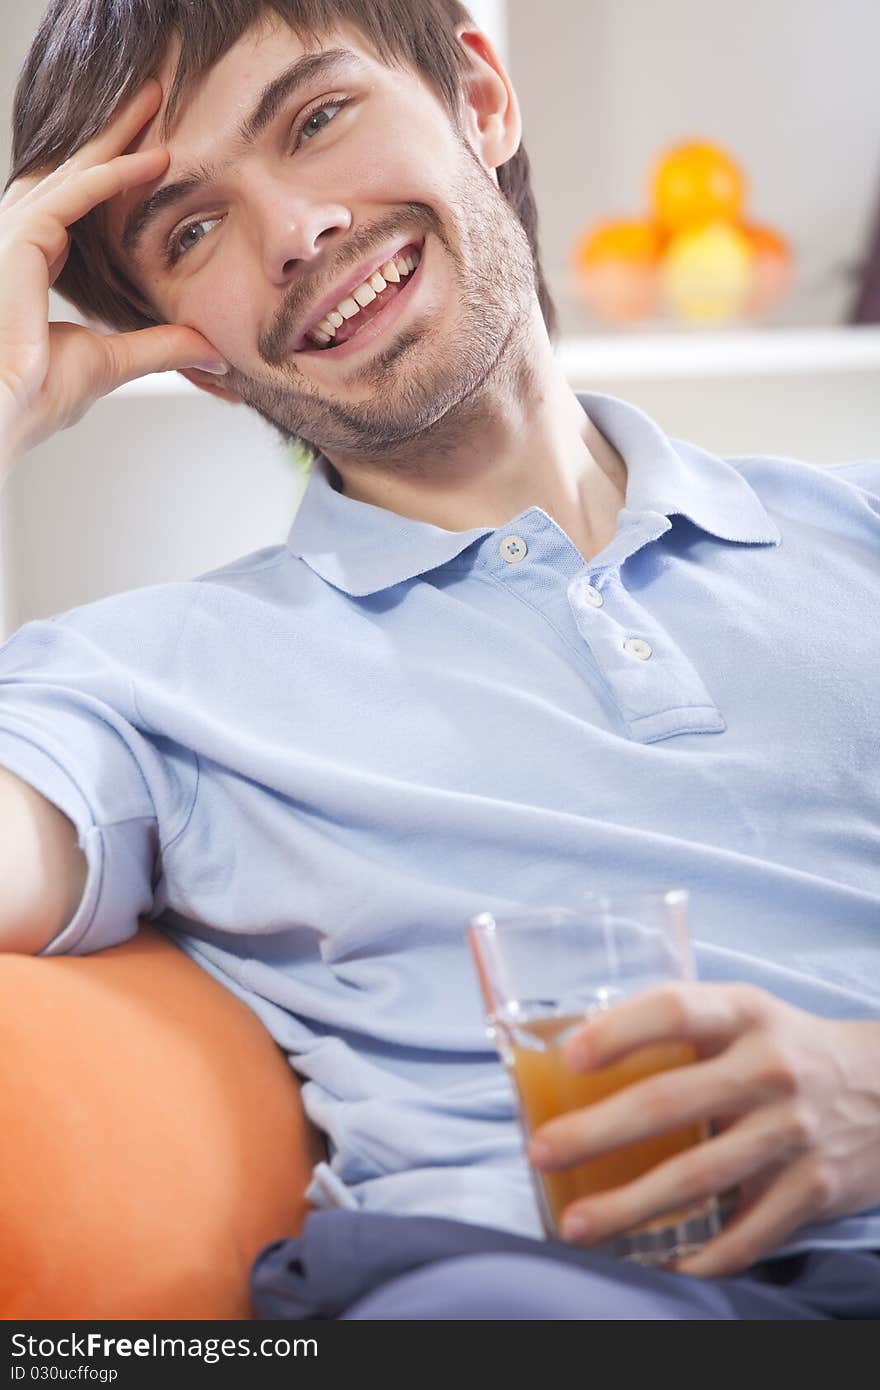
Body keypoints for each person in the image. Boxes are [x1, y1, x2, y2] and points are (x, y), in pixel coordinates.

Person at [0, 1, 878, 1321]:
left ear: (480, 94)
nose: (296, 234)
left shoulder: (857, 534)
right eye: (192, 231)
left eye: (316, 119)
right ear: (202, 359)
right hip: (541, 1297)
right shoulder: (144, 683)